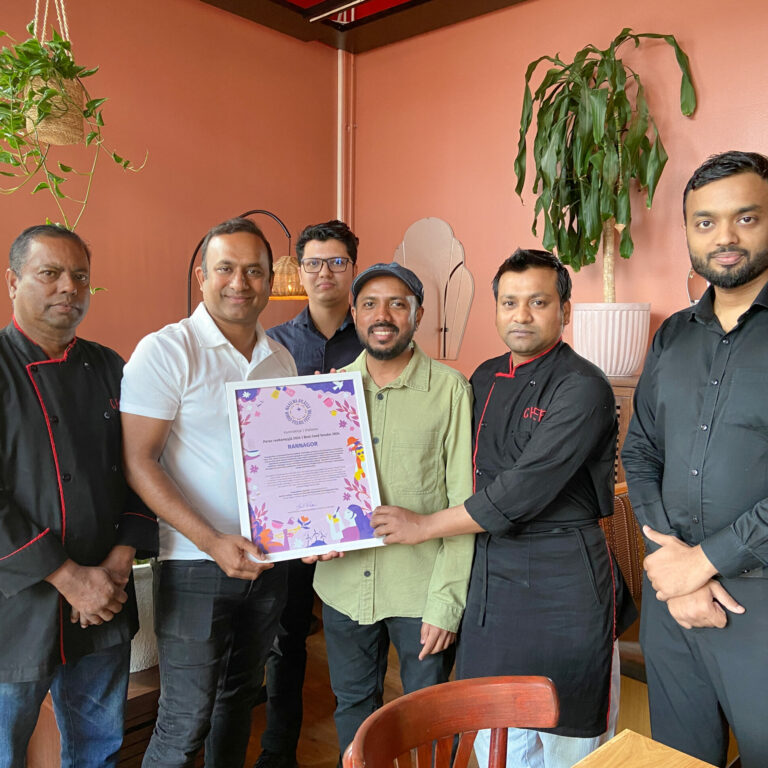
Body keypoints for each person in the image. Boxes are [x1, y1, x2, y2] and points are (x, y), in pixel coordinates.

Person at [373, 249, 633, 768]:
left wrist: (422, 526)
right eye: (509, 302)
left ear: (564, 308)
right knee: (499, 734)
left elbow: (520, 490)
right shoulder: (485, 377)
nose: (522, 315)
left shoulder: (583, 386)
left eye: (538, 302)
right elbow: (443, 462)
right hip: (491, 571)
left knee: (569, 738)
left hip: (564, 580)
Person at [120, 217, 297, 768]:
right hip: (194, 564)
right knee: (185, 718)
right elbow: (138, 461)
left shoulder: (282, 360)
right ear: (202, 275)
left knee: (239, 701)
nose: (239, 282)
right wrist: (213, 540)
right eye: (226, 268)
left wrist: (314, 527)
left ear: (271, 279)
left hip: (269, 563)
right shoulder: (167, 350)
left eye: (254, 270)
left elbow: (291, 466)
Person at [621, 150, 768, 768]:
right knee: (678, 757)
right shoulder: (673, 335)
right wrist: (670, 563)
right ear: (686, 232)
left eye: (746, 217)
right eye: (704, 222)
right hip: (670, 596)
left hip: (757, 601)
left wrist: (705, 561)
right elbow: (641, 450)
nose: (725, 237)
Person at [0, 224, 157, 768]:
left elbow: (144, 467)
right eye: (50, 273)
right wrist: (70, 578)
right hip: (16, 607)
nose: (69, 286)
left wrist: (117, 565)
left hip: (105, 602)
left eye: (80, 276)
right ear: (13, 281)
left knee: (100, 751)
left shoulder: (112, 367)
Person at [312, 262, 475, 759]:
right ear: (354, 315)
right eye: (369, 304)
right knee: (353, 709)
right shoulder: (326, 391)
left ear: (417, 315)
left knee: (428, 716)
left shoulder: (450, 390)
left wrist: (446, 604)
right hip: (343, 590)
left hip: (421, 594)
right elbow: (314, 493)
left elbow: (465, 504)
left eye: (397, 304)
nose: (382, 315)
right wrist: (312, 538)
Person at [255, 220, 363, 768]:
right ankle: (279, 749)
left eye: (337, 262)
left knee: (359, 634)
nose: (325, 273)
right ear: (299, 270)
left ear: (353, 269)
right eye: (314, 263)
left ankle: (366, 747)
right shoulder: (273, 343)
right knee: (288, 634)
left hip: (358, 513)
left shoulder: (374, 334)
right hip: (294, 516)